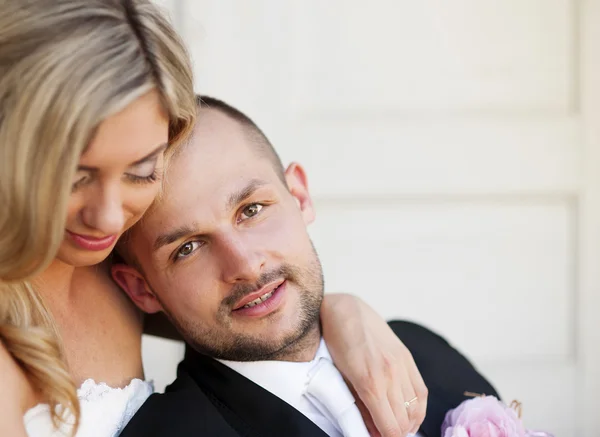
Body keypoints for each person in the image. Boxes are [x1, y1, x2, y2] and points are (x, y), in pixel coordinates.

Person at [0, 2, 427, 436]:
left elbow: (255, 313)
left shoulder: (109, 267)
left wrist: (346, 315)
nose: (109, 217)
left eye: (141, 172)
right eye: (74, 178)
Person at [113, 96, 499, 437]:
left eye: (251, 210)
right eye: (188, 248)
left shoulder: (423, 350)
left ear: (299, 196)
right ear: (141, 289)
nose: (245, 265)